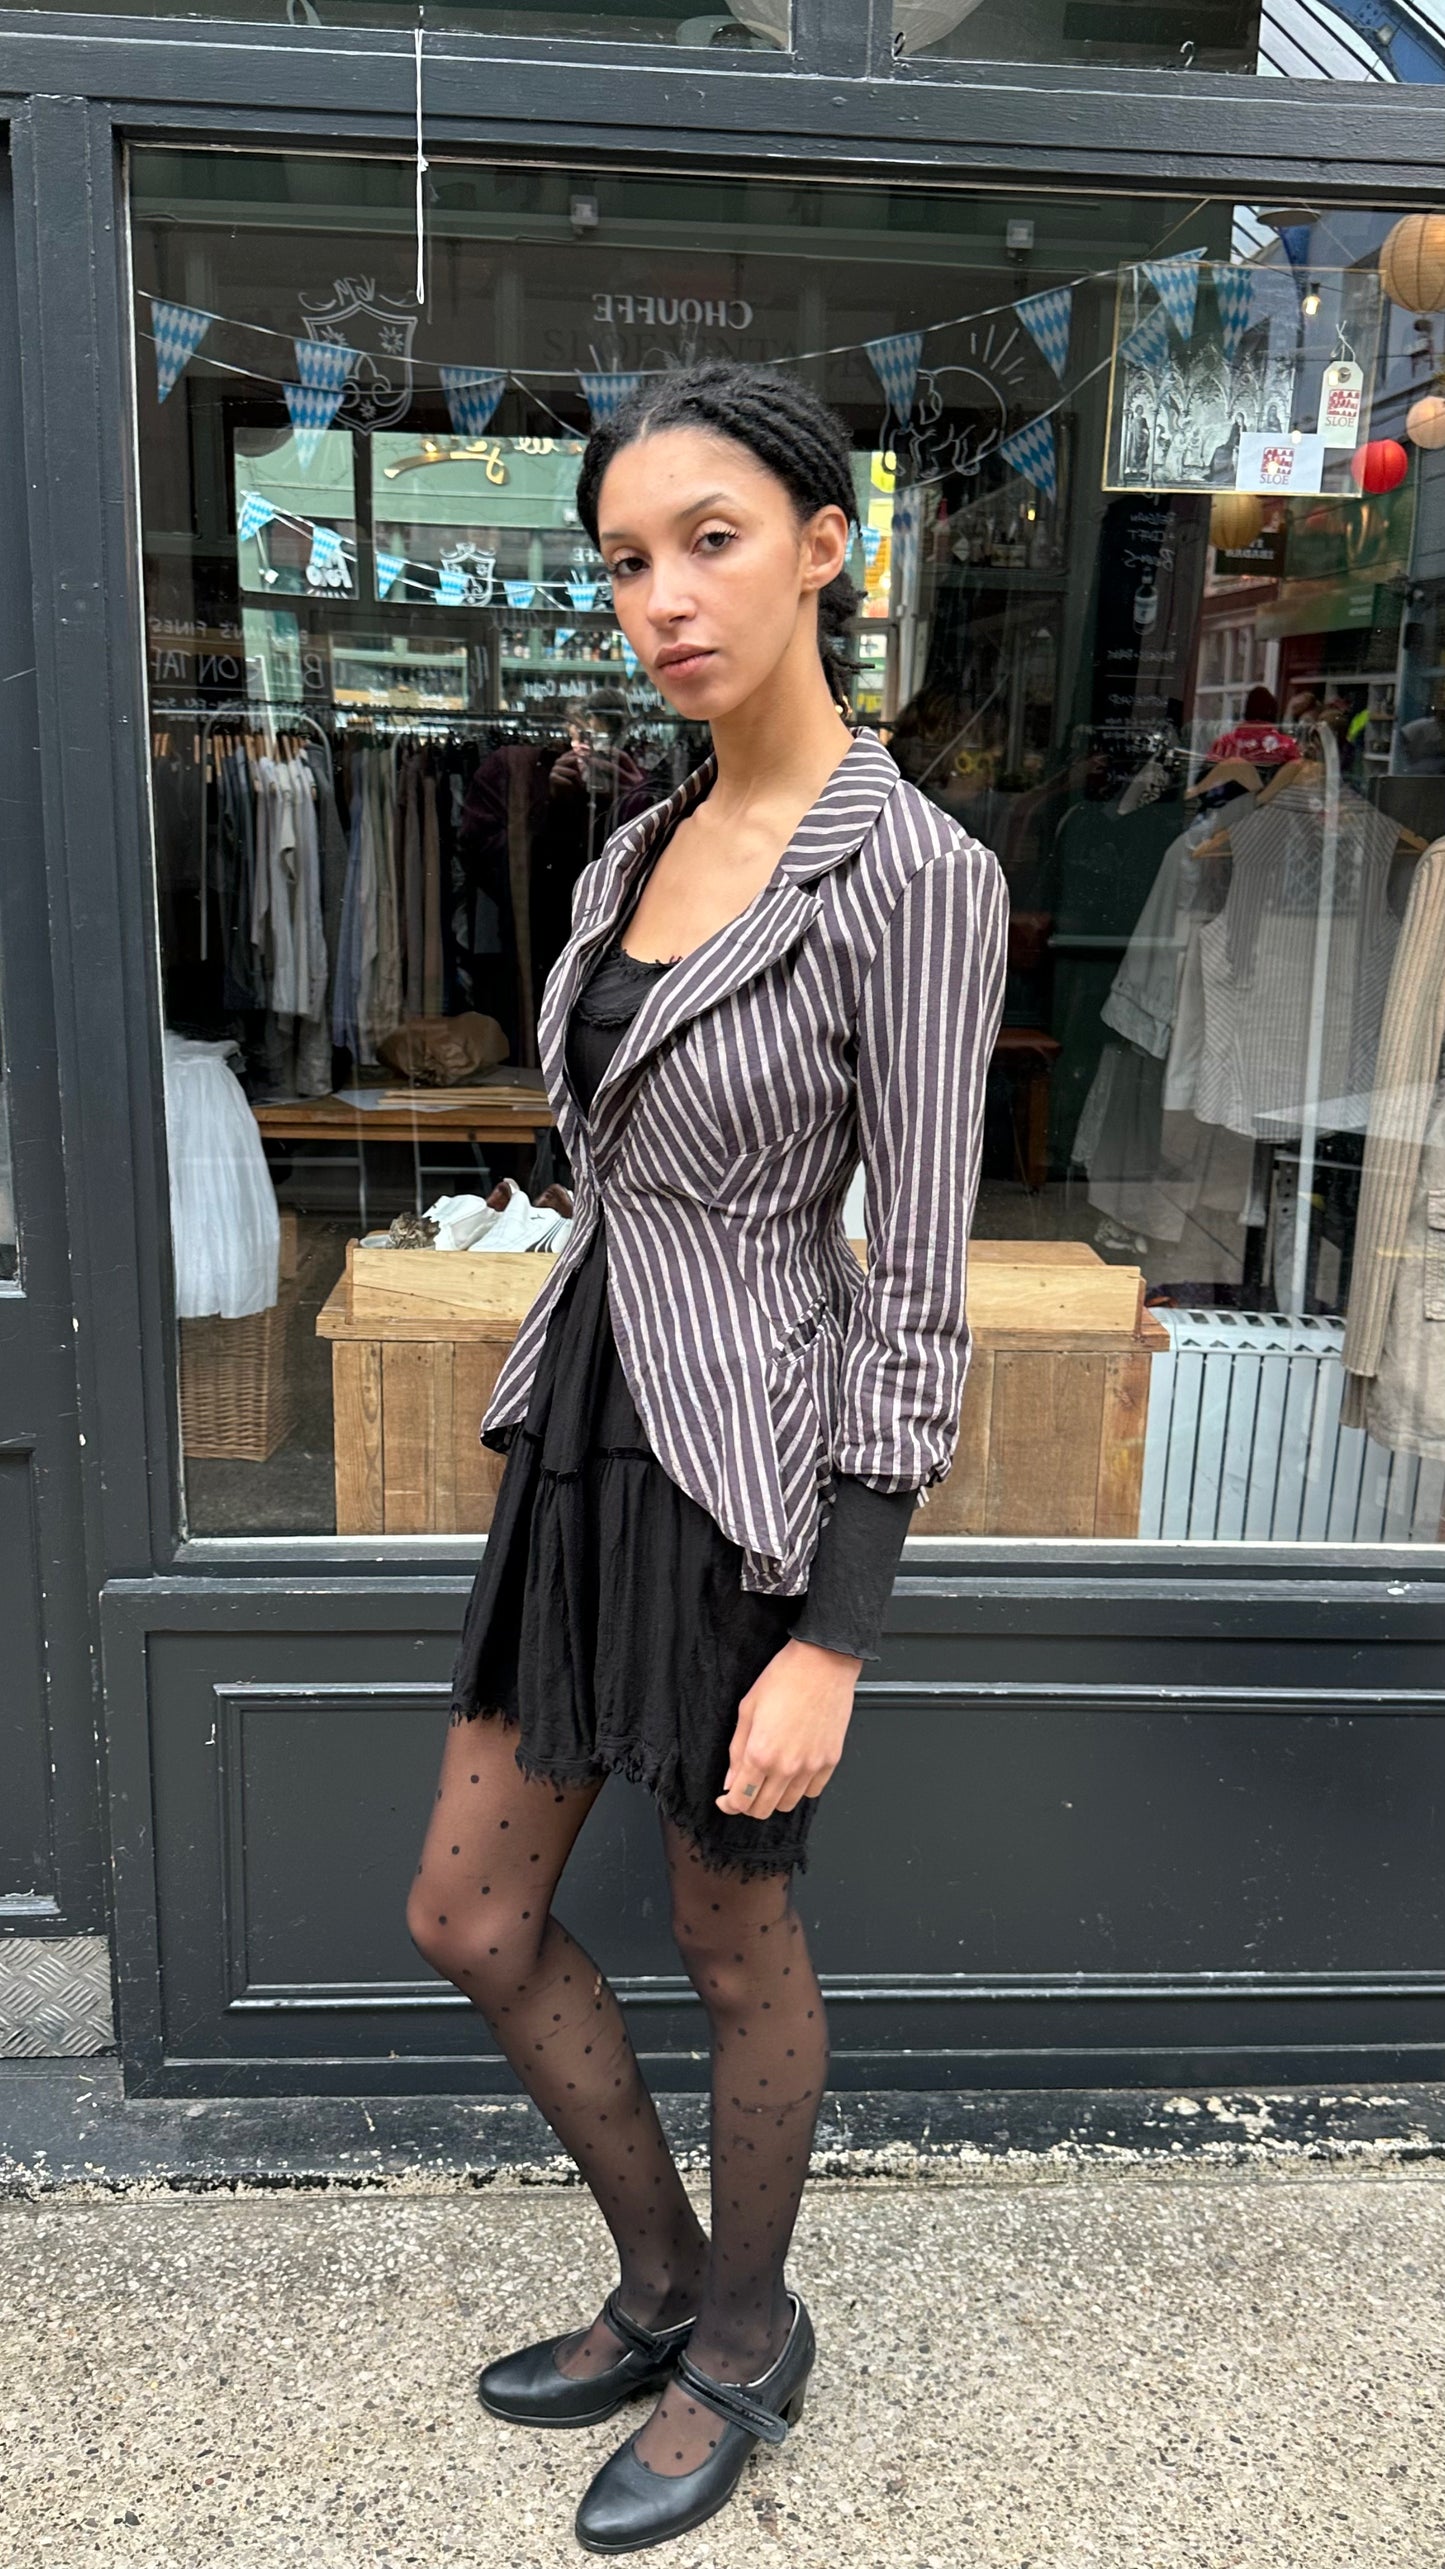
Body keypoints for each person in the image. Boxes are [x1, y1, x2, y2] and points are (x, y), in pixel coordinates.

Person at [407, 359, 1008, 2554]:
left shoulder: (915, 875)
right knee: (470, 1911)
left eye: (712, 541)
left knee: (726, 1930)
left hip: (750, 1474)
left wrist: (835, 1635)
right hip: (584, 1428)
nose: (662, 596)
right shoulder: (634, 845)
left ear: (828, 547)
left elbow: (915, 1286)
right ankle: (659, 2273)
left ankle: (745, 2330)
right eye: (625, 561)